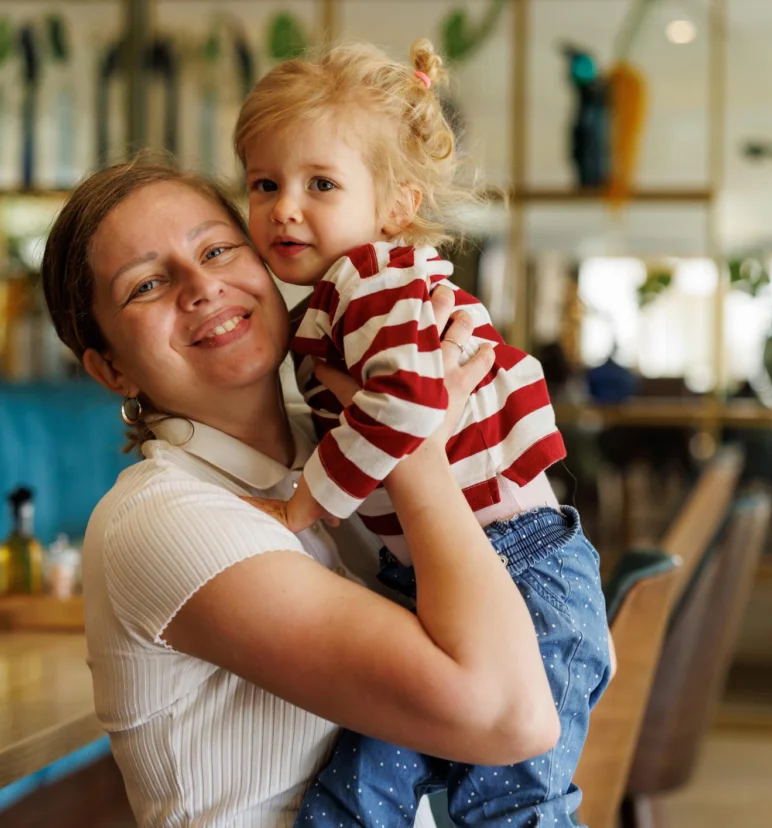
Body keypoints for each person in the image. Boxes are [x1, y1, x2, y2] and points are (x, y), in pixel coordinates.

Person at [40, 160, 562, 828]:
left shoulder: (331, 441)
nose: (202, 286)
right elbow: (510, 717)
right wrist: (412, 445)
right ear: (111, 368)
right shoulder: (160, 519)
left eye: (217, 250)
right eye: (147, 284)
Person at [233, 39, 612, 828]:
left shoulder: (373, 280)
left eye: (320, 184)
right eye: (265, 183)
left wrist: (302, 505)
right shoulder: (346, 295)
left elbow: (408, 410)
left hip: (521, 575)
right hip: (450, 576)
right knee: (354, 795)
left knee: (508, 808)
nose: (284, 207)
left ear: (396, 204)